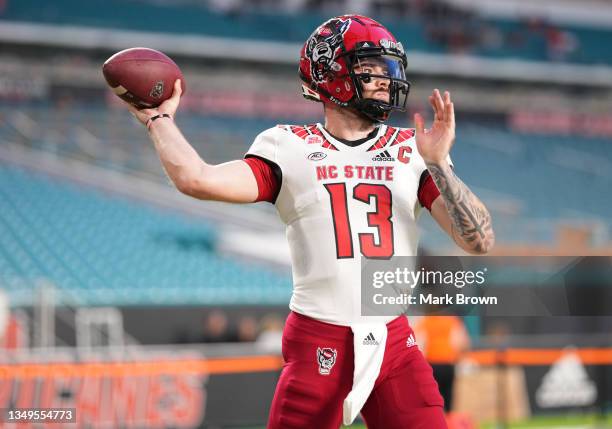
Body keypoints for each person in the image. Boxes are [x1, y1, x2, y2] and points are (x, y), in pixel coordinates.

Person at [122, 14, 494, 429]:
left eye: (389, 70)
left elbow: (478, 241)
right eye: (372, 69)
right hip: (320, 338)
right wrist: (158, 119)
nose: (387, 80)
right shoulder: (288, 146)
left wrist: (440, 163)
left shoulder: (413, 148)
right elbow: (197, 178)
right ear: (332, 75)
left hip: (394, 340)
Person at [414, 315, 471, 412]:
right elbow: (460, 342)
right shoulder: (452, 321)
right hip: (447, 364)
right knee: (448, 397)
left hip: (431, 365)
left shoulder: (425, 322)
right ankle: (448, 422)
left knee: (431, 398)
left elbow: (419, 343)